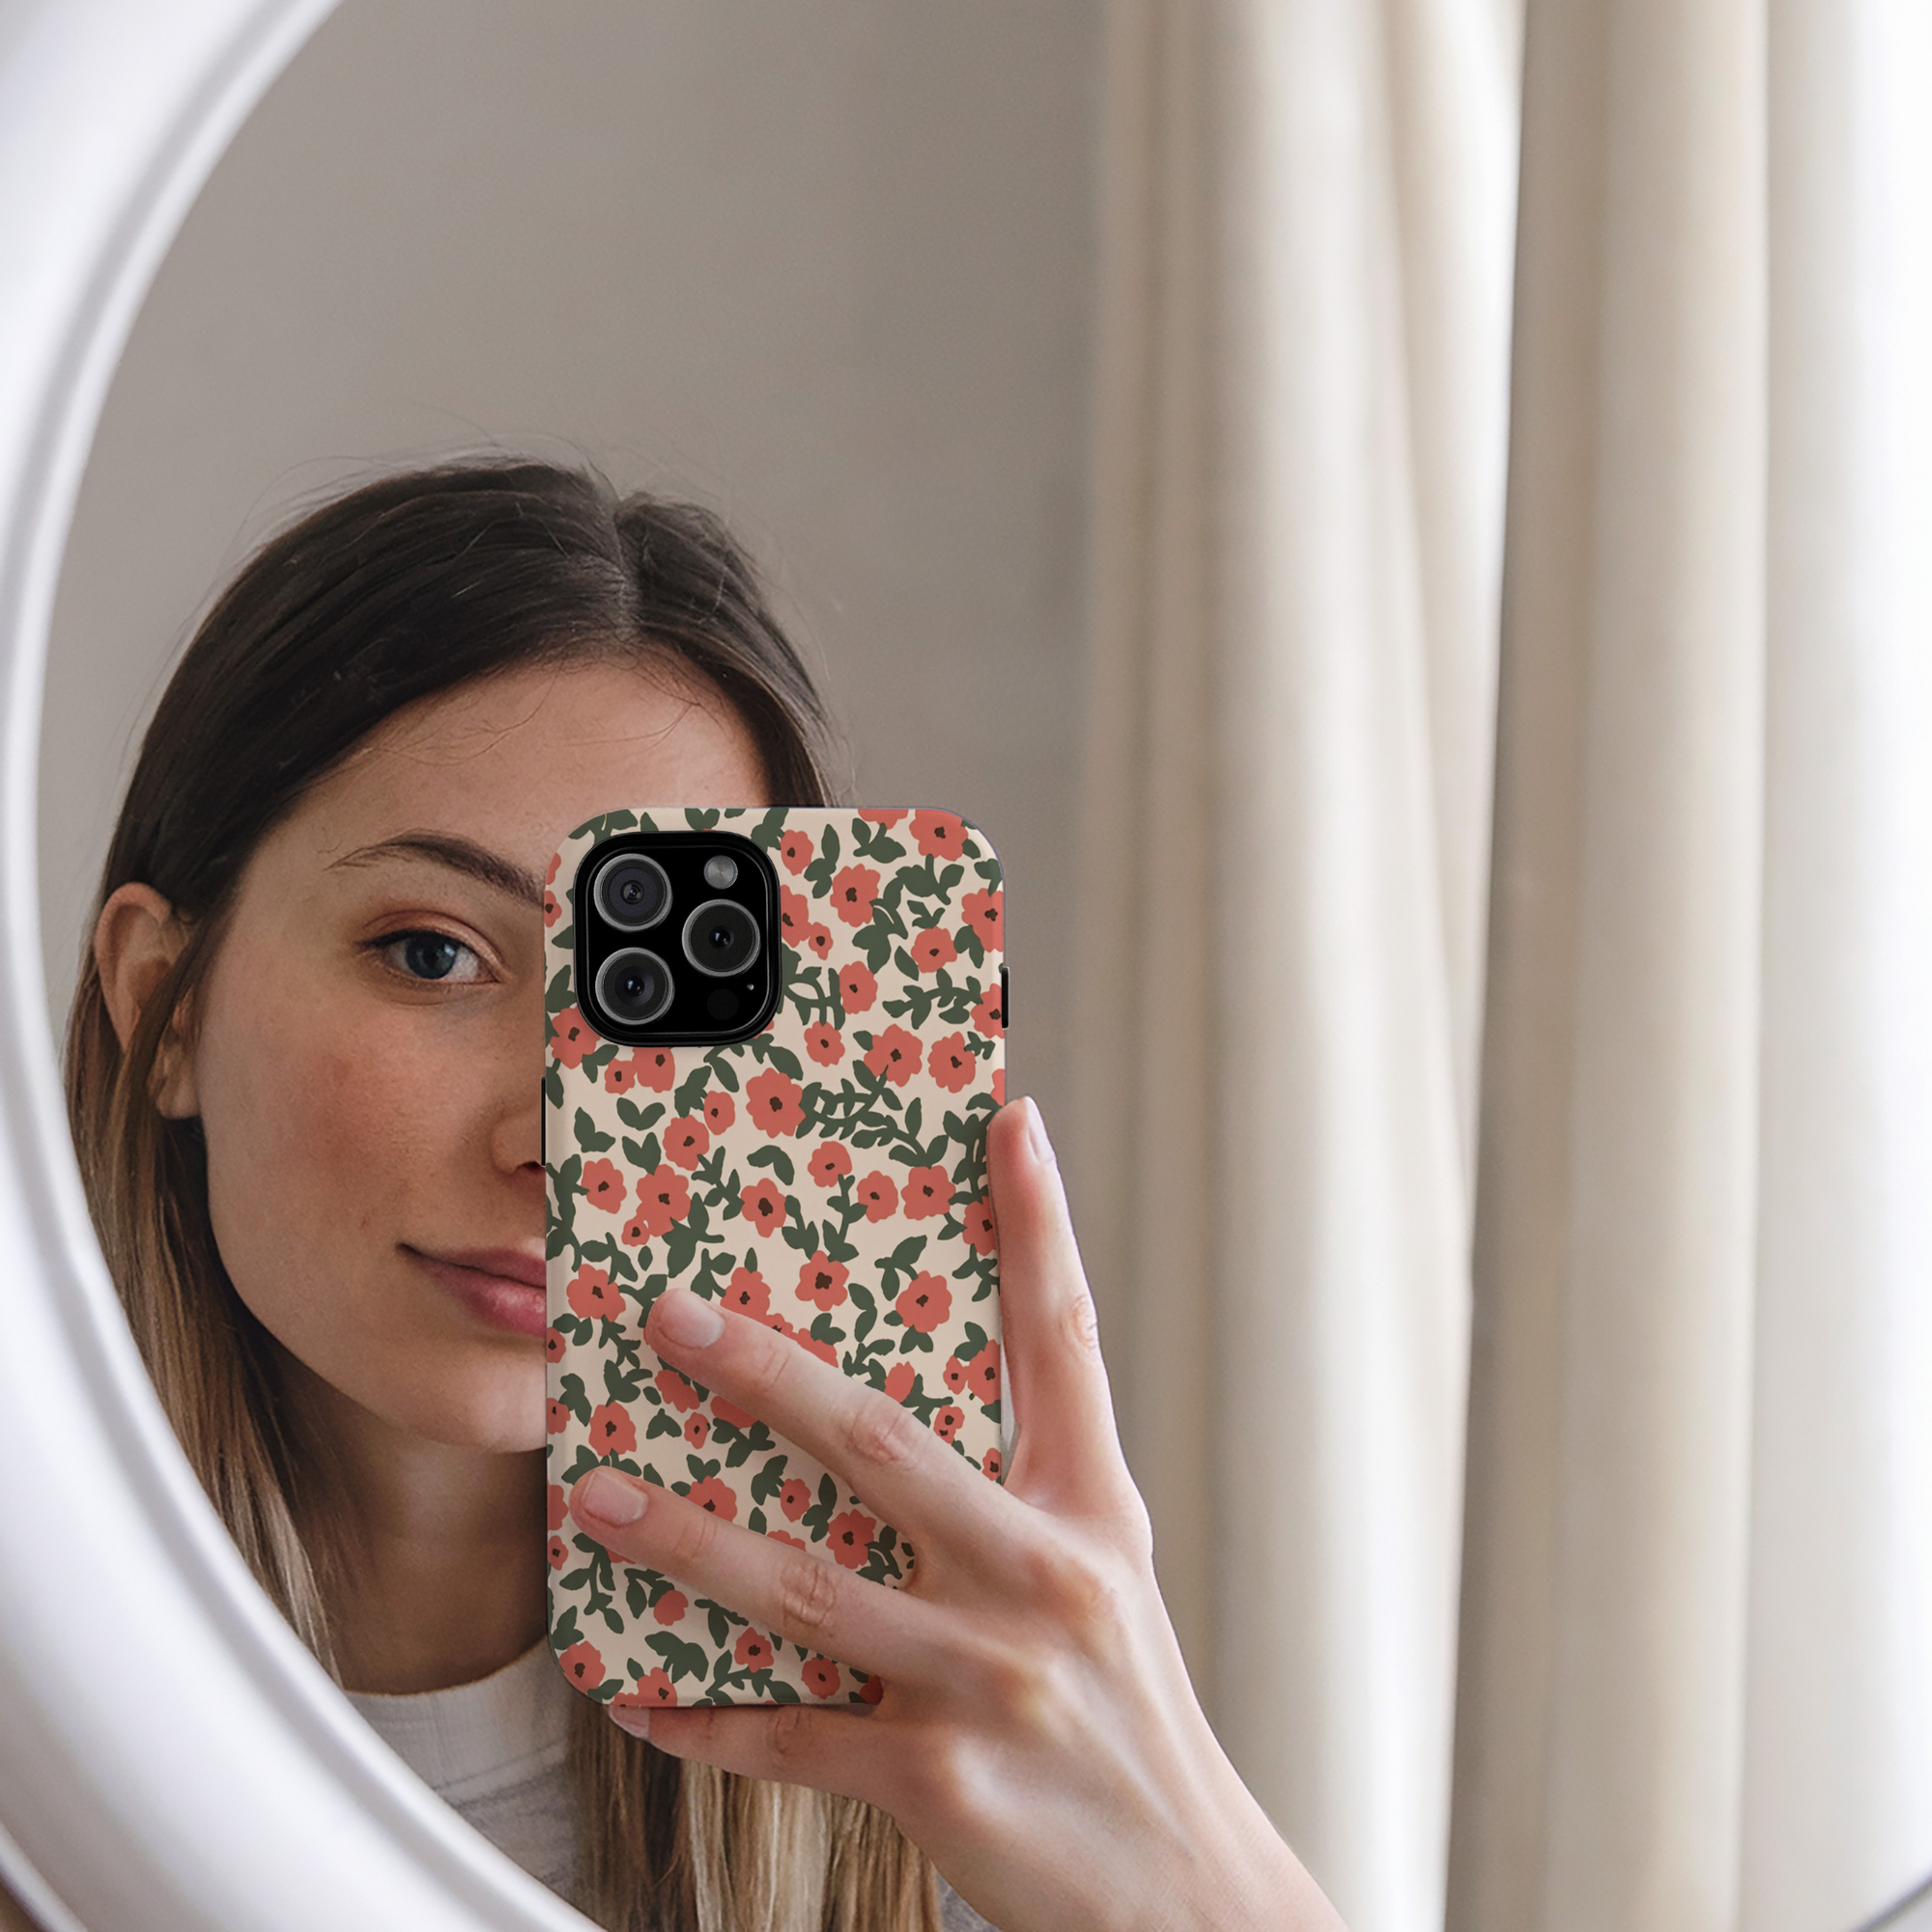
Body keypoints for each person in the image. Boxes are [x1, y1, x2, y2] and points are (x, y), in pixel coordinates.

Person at [67, 459, 1345, 1932]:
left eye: (667, 999)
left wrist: (1200, 1868)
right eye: (432, 954)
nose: (557, 1138)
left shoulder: (948, 1777)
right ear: (160, 1000)